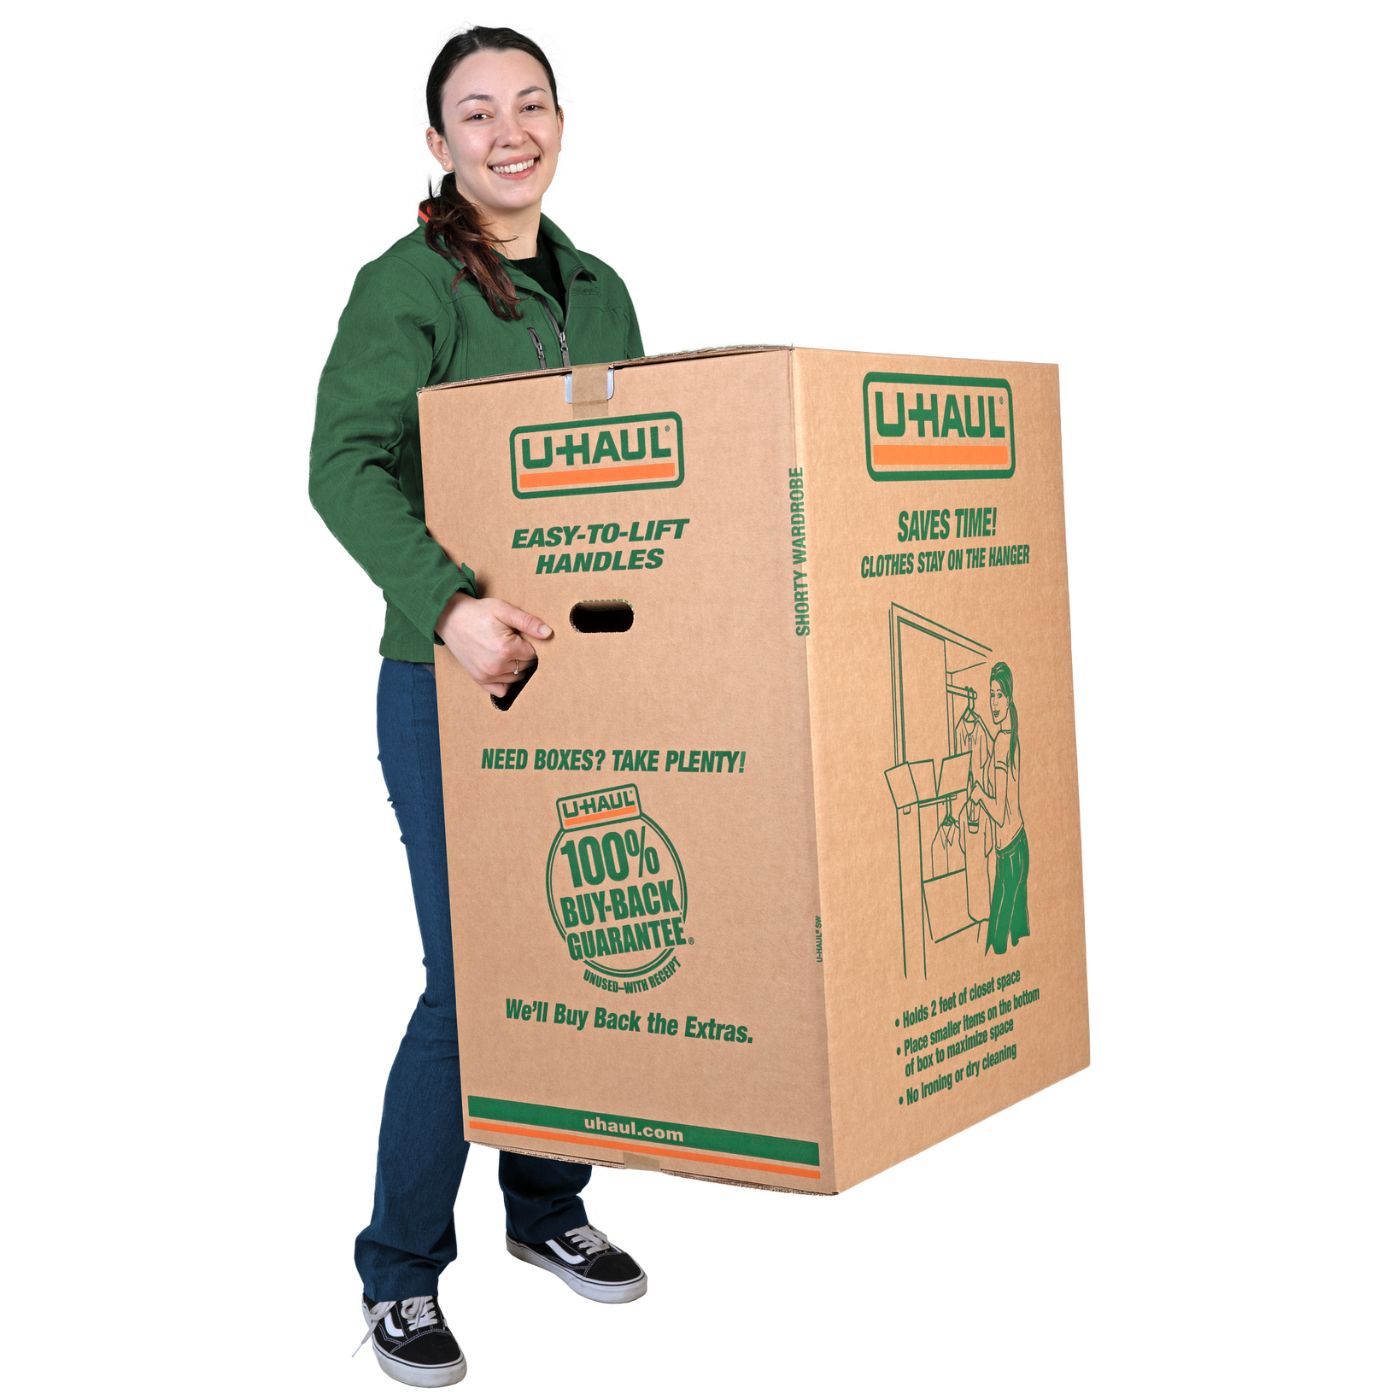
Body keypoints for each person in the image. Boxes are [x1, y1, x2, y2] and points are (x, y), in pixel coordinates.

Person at [309, 26, 648, 1389]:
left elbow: (646, 479)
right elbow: (343, 466)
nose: (510, 133)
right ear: (438, 143)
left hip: (583, 674)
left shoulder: (600, 287)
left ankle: (545, 1205)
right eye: (477, 112)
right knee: (473, 981)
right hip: (445, 682)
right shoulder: (407, 288)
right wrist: (450, 605)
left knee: (571, 942)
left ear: (561, 121)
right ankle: (398, 1269)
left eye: (531, 105)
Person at [963, 662, 1030, 956]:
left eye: (999, 695)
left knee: (996, 947)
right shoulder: (1009, 735)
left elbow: (1000, 812)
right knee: (1020, 941)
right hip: (1019, 846)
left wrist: (979, 794)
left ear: (1009, 697)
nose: (993, 702)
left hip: (1009, 855)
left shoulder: (1003, 743)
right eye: (990, 695)